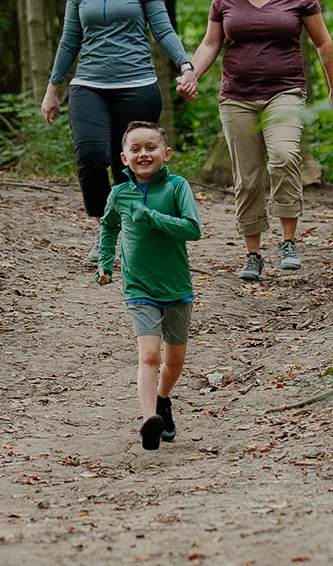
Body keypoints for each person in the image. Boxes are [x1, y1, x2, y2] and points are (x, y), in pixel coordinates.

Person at [175, 0, 333, 281]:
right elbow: (210, 44)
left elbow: (323, 42)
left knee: (284, 157)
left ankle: (287, 242)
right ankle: (252, 253)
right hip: (236, 98)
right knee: (248, 178)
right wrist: (192, 73)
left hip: (285, 92)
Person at [41, 0, 198, 261]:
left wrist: (186, 66)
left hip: (137, 86)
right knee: (91, 157)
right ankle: (104, 229)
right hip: (88, 86)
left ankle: (133, 229)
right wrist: (53, 88)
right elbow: (69, 42)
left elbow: (164, 31)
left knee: (126, 163)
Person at [96, 121, 201, 450]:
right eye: (136, 149)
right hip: (138, 288)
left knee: (175, 363)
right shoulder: (119, 193)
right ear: (124, 158)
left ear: (165, 153)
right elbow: (108, 226)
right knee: (150, 356)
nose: (144, 154)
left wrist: (151, 217)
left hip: (176, 286)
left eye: (151, 148)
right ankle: (148, 422)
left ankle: (161, 400)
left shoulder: (177, 187)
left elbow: (192, 229)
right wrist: (104, 262)